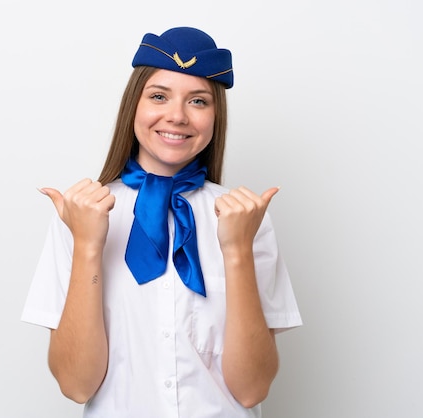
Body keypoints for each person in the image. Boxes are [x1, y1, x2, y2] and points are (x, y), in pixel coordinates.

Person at [21, 26, 302, 418]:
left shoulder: (247, 218)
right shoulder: (81, 215)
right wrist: (87, 246)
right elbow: (75, 384)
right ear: (133, 105)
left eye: (198, 101)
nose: (177, 116)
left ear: (215, 115)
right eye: (158, 96)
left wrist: (236, 250)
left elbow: (253, 389)